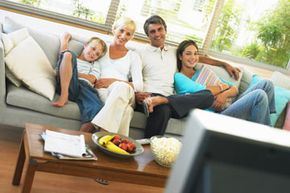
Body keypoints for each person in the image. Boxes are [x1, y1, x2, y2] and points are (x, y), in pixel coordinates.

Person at [135, 15, 240, 138]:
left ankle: (164, 100)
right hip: (149, 97)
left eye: (160, 29)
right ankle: (148, 149)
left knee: (207, 95)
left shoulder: (173, 52)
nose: (157, 34)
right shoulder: (140, 53)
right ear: (148, 35)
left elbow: (198, 58)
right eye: (152, 31)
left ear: (165, 30)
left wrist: (224, 64)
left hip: (171, 100)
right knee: (163, 110)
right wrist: (136, 94)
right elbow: (132, 78)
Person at [175, 39, 276, 125]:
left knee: (267, 84)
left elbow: (234, 89)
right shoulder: (179, 77)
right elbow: (204, 92)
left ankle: (264, 124)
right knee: (259, 95)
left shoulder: (203, 71)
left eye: (195, 53)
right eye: (188, 54)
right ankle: (267, 136)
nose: (193, 57)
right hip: (217, 116)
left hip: (231, 105)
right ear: (180, 56)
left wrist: (224, 95)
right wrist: (223, 88)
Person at [90, 17, 143, 136]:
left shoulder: (133, 56)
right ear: (114, 29)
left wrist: (112, 81)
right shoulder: (101, 48)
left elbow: (139, 86)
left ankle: (102, 132)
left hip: (125, 92)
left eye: (128, 34)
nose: (124, 36)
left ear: (132, 37)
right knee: (127, 111)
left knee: (120, 87)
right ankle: (113, 149)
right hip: (102, 92)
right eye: (121, 31)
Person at [53, 32, 107, 131]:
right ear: (85, 45)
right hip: (66, 85)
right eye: (93, 48)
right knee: (68, 54)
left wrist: (70, 72)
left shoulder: (95, 64)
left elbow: (92, 78)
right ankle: (64, 96)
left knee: (97, 107)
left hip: (84, 88)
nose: (93, 54)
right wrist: (65, 39)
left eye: (97, 54)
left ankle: (79, 138)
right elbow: (64, 53)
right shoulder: (72, 58)